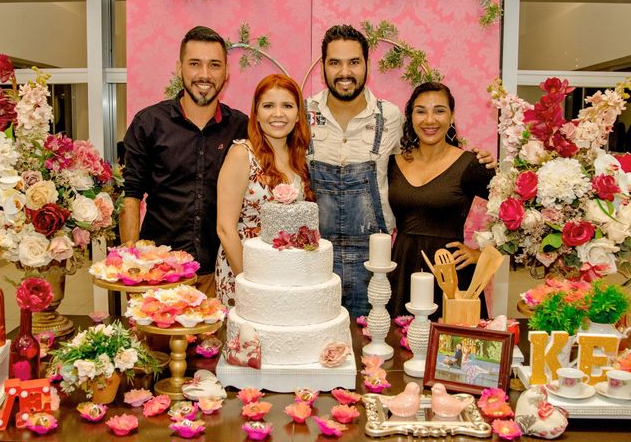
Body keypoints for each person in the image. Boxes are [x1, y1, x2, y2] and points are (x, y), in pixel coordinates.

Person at [306, 25, 495, 317]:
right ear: (323, 67)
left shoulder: (388, 117)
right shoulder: (303, 115)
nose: (345, 71)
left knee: (380, 346)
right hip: (315, 260)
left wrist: (482, 251)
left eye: (354, 61)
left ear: (367, 64)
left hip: (377, 266)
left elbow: (438, 152)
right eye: (335, 62)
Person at [121, 26, 248, 297]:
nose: (204, 75)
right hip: (159, 272)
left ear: (226, 73)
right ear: (180, 68)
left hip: (219, 274)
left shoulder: (242, 127)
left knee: (221, 340)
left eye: (214, 65)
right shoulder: (149, 123)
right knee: (155, 341)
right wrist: (131, 265)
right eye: (195, 64)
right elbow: (131, 195)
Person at [388, 82, 495, 319]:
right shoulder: (391, 163)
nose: (429, 120)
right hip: (403, 270)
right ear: (410, 117)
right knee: (399, 349)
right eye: (421, 111)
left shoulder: (472, 164)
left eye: (439, 110)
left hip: (451, 276)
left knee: (452, 353)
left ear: (452, 116)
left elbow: (517, 212)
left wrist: (482, 253)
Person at [215, 74, 314, 306]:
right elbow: (225, 229)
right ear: (256, 114)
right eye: (269, 106)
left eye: (287, 106)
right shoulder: (242, 154)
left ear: (298, 114)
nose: (278, 114)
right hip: (245, 274)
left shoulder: (300, 160)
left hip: (285, 277)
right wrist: (249, 283)